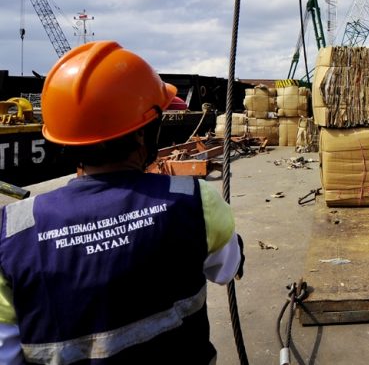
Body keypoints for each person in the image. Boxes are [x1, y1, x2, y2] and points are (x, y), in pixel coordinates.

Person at [0, 41, 244, 364]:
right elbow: (227, 267)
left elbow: (7, 353)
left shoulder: (12, 237)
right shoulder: (194, 202)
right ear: (143, 134)